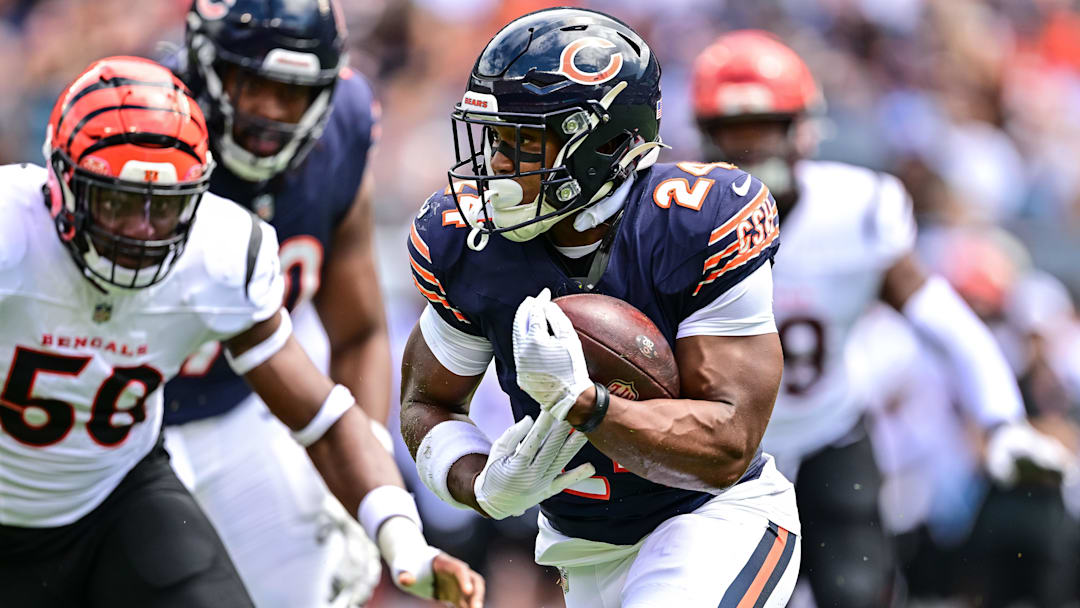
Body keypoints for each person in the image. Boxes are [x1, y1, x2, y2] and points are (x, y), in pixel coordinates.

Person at [0, 56, 483, 608]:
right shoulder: (12, 235)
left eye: (164, 208)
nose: (141, 230)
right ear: (61, 181)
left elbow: (320, 418)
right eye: (116, 202)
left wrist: (403, 542)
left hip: (115, 496)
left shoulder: (218, 251)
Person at [400, 8, 800, 607]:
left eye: (526, 141)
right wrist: (480, 482)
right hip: (578, 545)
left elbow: (728, 444)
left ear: (605, 142)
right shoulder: (471, 241)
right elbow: (426, 401)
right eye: (496, 139)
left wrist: (586, 405)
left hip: (712, 516)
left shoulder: (696, 221)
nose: (499, 164)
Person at [689, 29, 1073, 607]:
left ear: (805, 130)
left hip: (829, 430)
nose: (753, 153)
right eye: (736, 135)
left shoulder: (857, 211)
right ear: (706, 136)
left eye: (768, 130)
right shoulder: (675, 223)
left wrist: (1001, 420)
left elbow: (943, 318)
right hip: (718, 448)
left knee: (858, 592)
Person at [159, 1, 391, 605]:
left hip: (243, 412)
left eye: (292, 91)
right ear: (206, 67)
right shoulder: (147, 123)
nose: (268, 111)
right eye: (252, 82)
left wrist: (364, 464)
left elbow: (359, 332)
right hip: (127, 421)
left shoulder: (342, 125)